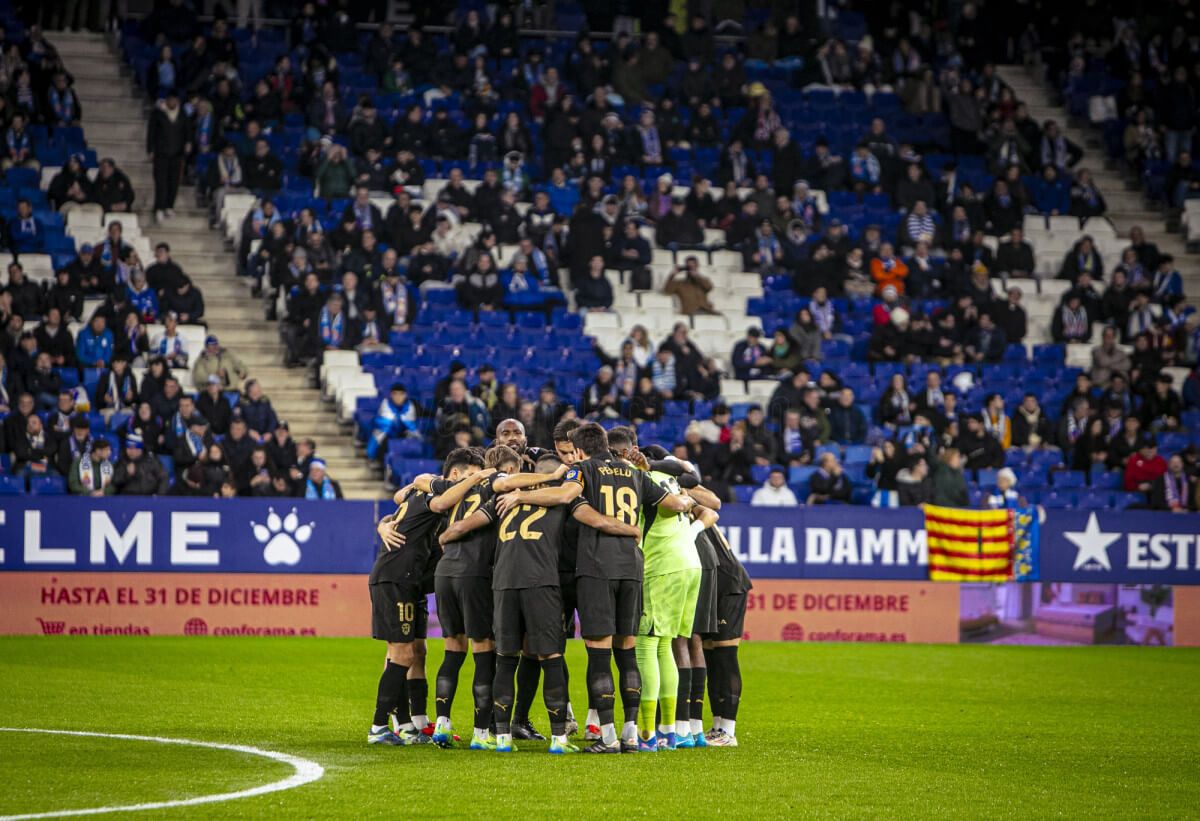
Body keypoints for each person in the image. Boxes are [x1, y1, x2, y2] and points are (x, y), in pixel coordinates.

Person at [493, 423, 694, 753]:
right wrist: (687, 502)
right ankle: (632, 735)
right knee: (627, 652)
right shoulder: (633, 472)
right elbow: (671, 503)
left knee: (599, 655)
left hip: (597, 568)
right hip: (632, 567)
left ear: (581, 450)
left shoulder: (583, 470)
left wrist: (519, 495)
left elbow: (564, 495)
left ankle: (609, 737)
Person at [366, 450, 498, 746]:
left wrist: (383, 523)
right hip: (397, 578)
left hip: (411, 582)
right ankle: (379, 727)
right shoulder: (435, 492)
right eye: (468, 476)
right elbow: (433, 495)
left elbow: (401, 497)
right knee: (400, 653)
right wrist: (477, 477)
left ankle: (412, 724)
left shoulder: (426, 496)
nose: (473, 484)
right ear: (454, 475)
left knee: (416, 652)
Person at [146, 92, 191, 223]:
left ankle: (169, 206)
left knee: (174, 182)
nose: (173, 102)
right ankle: (158, 208)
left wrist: (188, 142)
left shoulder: (183, 114)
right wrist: (150, 149)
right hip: (161, 154)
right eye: (170, 100)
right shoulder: (158, 114)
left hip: (177, 154)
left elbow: (187, 131)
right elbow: (151, 132)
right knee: (161, 182)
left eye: (175, 100)